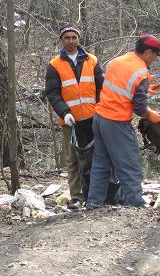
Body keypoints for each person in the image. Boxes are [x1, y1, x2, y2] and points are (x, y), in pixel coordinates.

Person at [86, 34, 160, 208]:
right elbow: (139, 108)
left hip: (99, 118)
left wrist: (144, 90)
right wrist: (152, 115)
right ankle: (135, 205)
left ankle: (93, 203)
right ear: (149, 52)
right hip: (116, 122)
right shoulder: (141, 72)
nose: (155, 59)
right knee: (130, 165)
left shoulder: (117, 61)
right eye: (155, 55)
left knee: (100, 164)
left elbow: (118, 85)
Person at [45, 24, 104, 210]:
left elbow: (102, 88)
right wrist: (64, 113)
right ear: (61, 40)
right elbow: (53, 93)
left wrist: (101, 110)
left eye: (74, 37)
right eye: (67, 38)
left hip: (93, 118)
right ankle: (76, 197)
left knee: (97, 157)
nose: (71, 41)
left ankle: (95, 195)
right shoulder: (54, 64)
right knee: (72, 160)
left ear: (78, 39)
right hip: (71, 120)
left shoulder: (92, 60)